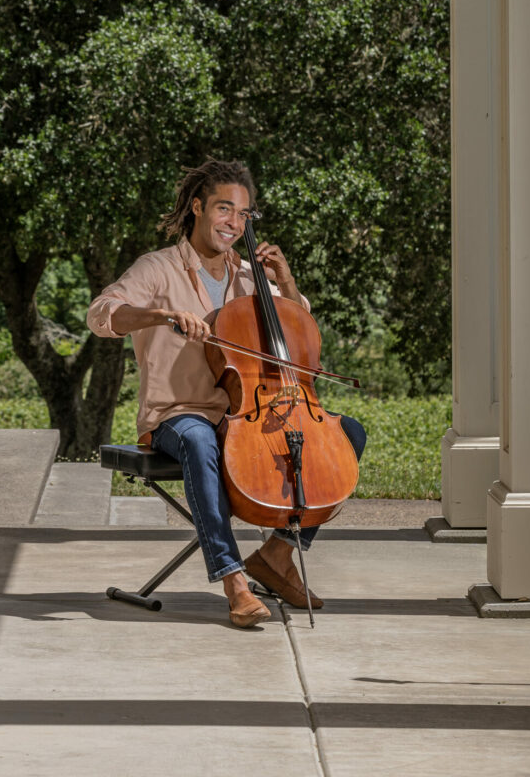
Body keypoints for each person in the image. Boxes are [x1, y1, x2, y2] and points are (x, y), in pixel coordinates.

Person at [87, 157, 366, 629]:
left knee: (347, 436)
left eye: (243, 214)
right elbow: (102, 313)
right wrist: (161, 316)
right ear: (197, 208)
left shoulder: (248, 276)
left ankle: (276, 557)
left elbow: (296, 328)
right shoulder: (158, 269)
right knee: (198, 440)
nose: (234, 224)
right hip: (178, 414)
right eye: (223, 210)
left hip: (247, 413)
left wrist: (286, 280)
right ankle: (233, 579)